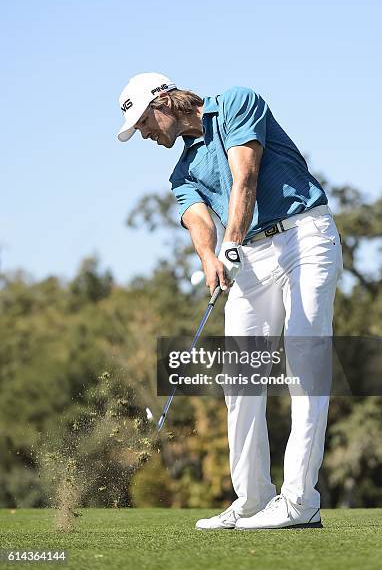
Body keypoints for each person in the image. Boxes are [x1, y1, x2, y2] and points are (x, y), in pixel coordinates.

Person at [117, 72, 343, 529]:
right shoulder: (182, 170)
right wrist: (209, 258)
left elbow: (246, 175)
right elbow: (198, 219)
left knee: (304, 366)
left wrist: (232, 241)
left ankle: (301, 503)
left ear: (164, 101)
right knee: (240, 382)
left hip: (305, 237)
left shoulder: (237, 102)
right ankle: (253, 500)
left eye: (144, 122)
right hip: (251, 260)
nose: (144, 133)